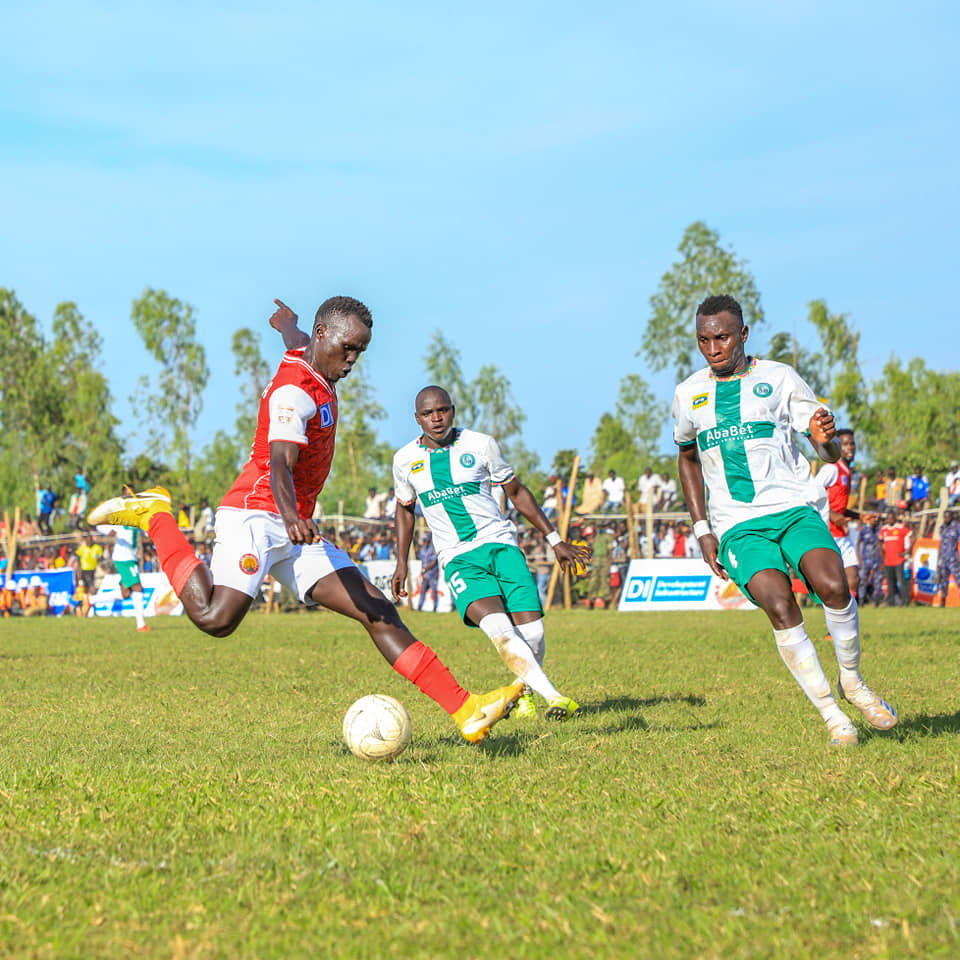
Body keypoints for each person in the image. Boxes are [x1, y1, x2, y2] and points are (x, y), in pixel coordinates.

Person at [89, 296, 523, 744]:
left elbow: (296, 339)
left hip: (295, 526)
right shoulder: (293, 392)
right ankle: (157, 514)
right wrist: (293, 516)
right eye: (348, 348)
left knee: (376, 609)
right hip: (256, 515)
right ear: (324, 336)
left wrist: (287, 324)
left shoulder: (308, 353)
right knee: (216, 618)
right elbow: (280, 463)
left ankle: (466, 709)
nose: (353, 360)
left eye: (360, 351)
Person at [673, 294, 896, 746]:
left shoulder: (779, 378)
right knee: (780, 604)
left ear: (743, 335)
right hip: (738, 524)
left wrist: (826, 441)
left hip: (794, 508)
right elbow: (687, 458)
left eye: (721, 338)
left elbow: (826, 449)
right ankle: (834, 718)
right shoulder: (687, 393)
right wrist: (702, 530)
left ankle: (852, 682)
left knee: (834, 586)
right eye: (703, 340)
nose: (713, 348)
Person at [389, 386, 590, 720]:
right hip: (458, 559)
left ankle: (521, 691)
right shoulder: (405, 460)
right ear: (417, 418)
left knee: (534, 633)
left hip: (501, 546)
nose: (437, 419)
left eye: (443, 410)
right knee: (499, 629)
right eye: (428, 413)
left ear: (453, 410)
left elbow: (516, 491)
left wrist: (555, 539)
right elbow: (405, 510)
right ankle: (556, 698)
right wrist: (401, 563)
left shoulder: (480, 444)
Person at [813, 428, 873, 596]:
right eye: (845, 444)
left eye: (852, 443)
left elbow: (839, 507)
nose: (850, 448)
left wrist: (860, 516)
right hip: (827, 532)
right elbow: (811, 492)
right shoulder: (831, 468)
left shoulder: (847, 472)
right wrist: (831, 515)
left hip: (840, 533)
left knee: (853, 579)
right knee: (826, 582)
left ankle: (851, 620)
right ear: (837, 447)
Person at [97, 523, 150, 631]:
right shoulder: (120, 517)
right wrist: (109, 530)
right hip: (123, 559)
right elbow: (99, 525)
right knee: (137, 588)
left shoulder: (136, 519)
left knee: (126, 593)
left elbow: (146, 532)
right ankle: (141, 625)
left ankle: (89, 600)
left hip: (132, 558)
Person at [879, 511, 911, 606]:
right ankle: (891, 602)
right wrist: (882, 555)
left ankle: (905, 601)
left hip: (899, 560)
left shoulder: (900, 528)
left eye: (892, 518)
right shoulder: (884, 530)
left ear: (895, 518)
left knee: (901, 581)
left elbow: (912, 535)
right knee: (890, 582)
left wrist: (907, 551)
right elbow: (880, 542)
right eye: (888, 518)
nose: (890, 520)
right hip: (888, 560)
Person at [855, 513, 884, 607]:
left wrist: (882, 559)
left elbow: (881, 545)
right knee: (862, 580)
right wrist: (859, 559)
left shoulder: (879, 530)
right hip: (865, 558)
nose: (874, 520)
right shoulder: (864, 530)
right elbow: (858, 544)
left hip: (877, 559)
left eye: (876, 519)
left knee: (877, 580)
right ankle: (861, 600)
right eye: (872, 518)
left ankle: (876, 601)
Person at [936, 511, 960, 607]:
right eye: (945, 517)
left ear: (951, 517)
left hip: (953, 558)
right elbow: (940, 543)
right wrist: (938, 559)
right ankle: (942, 601)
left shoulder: (957, 527)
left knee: (958, 579)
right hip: (943, 558)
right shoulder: (942, 528)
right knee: (943, 580)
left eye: (948, 517)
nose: (946, 519)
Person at [416, 531, 440, 612]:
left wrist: (425, 569)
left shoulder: (433, 549)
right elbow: (422, 561)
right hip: (425, 574)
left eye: (426, 540)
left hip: (433, 574)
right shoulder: (422, 549)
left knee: (434, 592)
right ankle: (419, 606)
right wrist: (422, 570)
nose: (424, 542)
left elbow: (434, 561)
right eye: (424, 540)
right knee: (422, 591)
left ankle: (435, 607)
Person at [76, 532, 103, 597]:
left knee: (93, 585)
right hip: (84, 569)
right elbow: (78, 559)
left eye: (90, 540)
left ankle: (93, 597)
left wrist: (97, 557)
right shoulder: (82, 548)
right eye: (87, 540)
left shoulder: (97, 547)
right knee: (85, 586)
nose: (88, 542)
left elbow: (101, 558)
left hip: (94, 569)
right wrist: (78, 570)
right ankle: (87, 598)